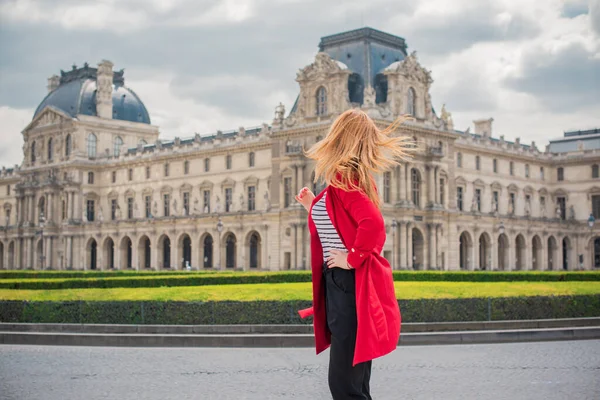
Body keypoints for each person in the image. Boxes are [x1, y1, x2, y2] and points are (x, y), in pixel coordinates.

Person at [295, 109, 414, 399]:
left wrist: (351, 258)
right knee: (354, 381)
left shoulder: (345, 178)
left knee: (344, 384)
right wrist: (313, 205)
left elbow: (373, 225)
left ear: (340, 137)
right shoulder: (348, 179)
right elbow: (340, 225)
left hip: (346, 284)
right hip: (344, 284)